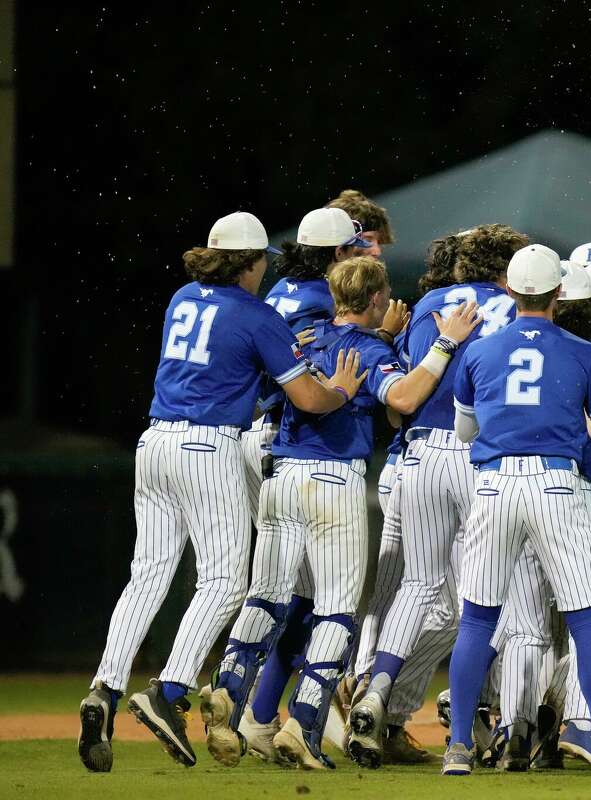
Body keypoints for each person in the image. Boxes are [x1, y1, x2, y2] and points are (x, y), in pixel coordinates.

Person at [78, 212, 362, 772]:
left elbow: (225, 365)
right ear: (253, 263)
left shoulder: (183, 297)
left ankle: (104, 689)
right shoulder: (257, 314)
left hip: (153, 441)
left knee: (149, 573)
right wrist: (340, 390)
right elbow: (306, 398)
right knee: (226, 579)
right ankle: (169, 691)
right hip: (207, 448)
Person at [198, 257, 481, 770]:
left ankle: (229, 687)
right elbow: (404, 396)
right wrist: (444, 344)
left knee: (267, 595)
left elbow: (263, 398)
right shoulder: (367, 348)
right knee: (336, 611)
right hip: (333, 483)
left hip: (280, 478)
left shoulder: (302, 338)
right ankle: (303, 725)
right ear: (376, 299)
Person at [444, 244, 591, 777]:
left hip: (494, 485)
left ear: (509, 293)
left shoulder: (480, 351)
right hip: (556, 486)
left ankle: (459, 748)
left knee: (478, 620)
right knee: (587, 621)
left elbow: (466, 430)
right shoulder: (583, 352)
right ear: (558, 292)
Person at [346, 224, 527, 764]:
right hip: (482, 454)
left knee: (422, 587)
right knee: (502, 594)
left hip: (419, 453)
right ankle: (496, 721)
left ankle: (378, 692)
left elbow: (397, 396)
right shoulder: (519, 308)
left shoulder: (426, 302)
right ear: (508, 267)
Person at [235, 206, 387, 761]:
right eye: (355, 249)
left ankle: (245, 708)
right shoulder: (317, 303)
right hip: (295, 438)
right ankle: (292, 718)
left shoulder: (282, 288)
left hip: (271, 443)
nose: (363, 255)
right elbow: (307, 387)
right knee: (317, 599)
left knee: (285, 593)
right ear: (337, 256)